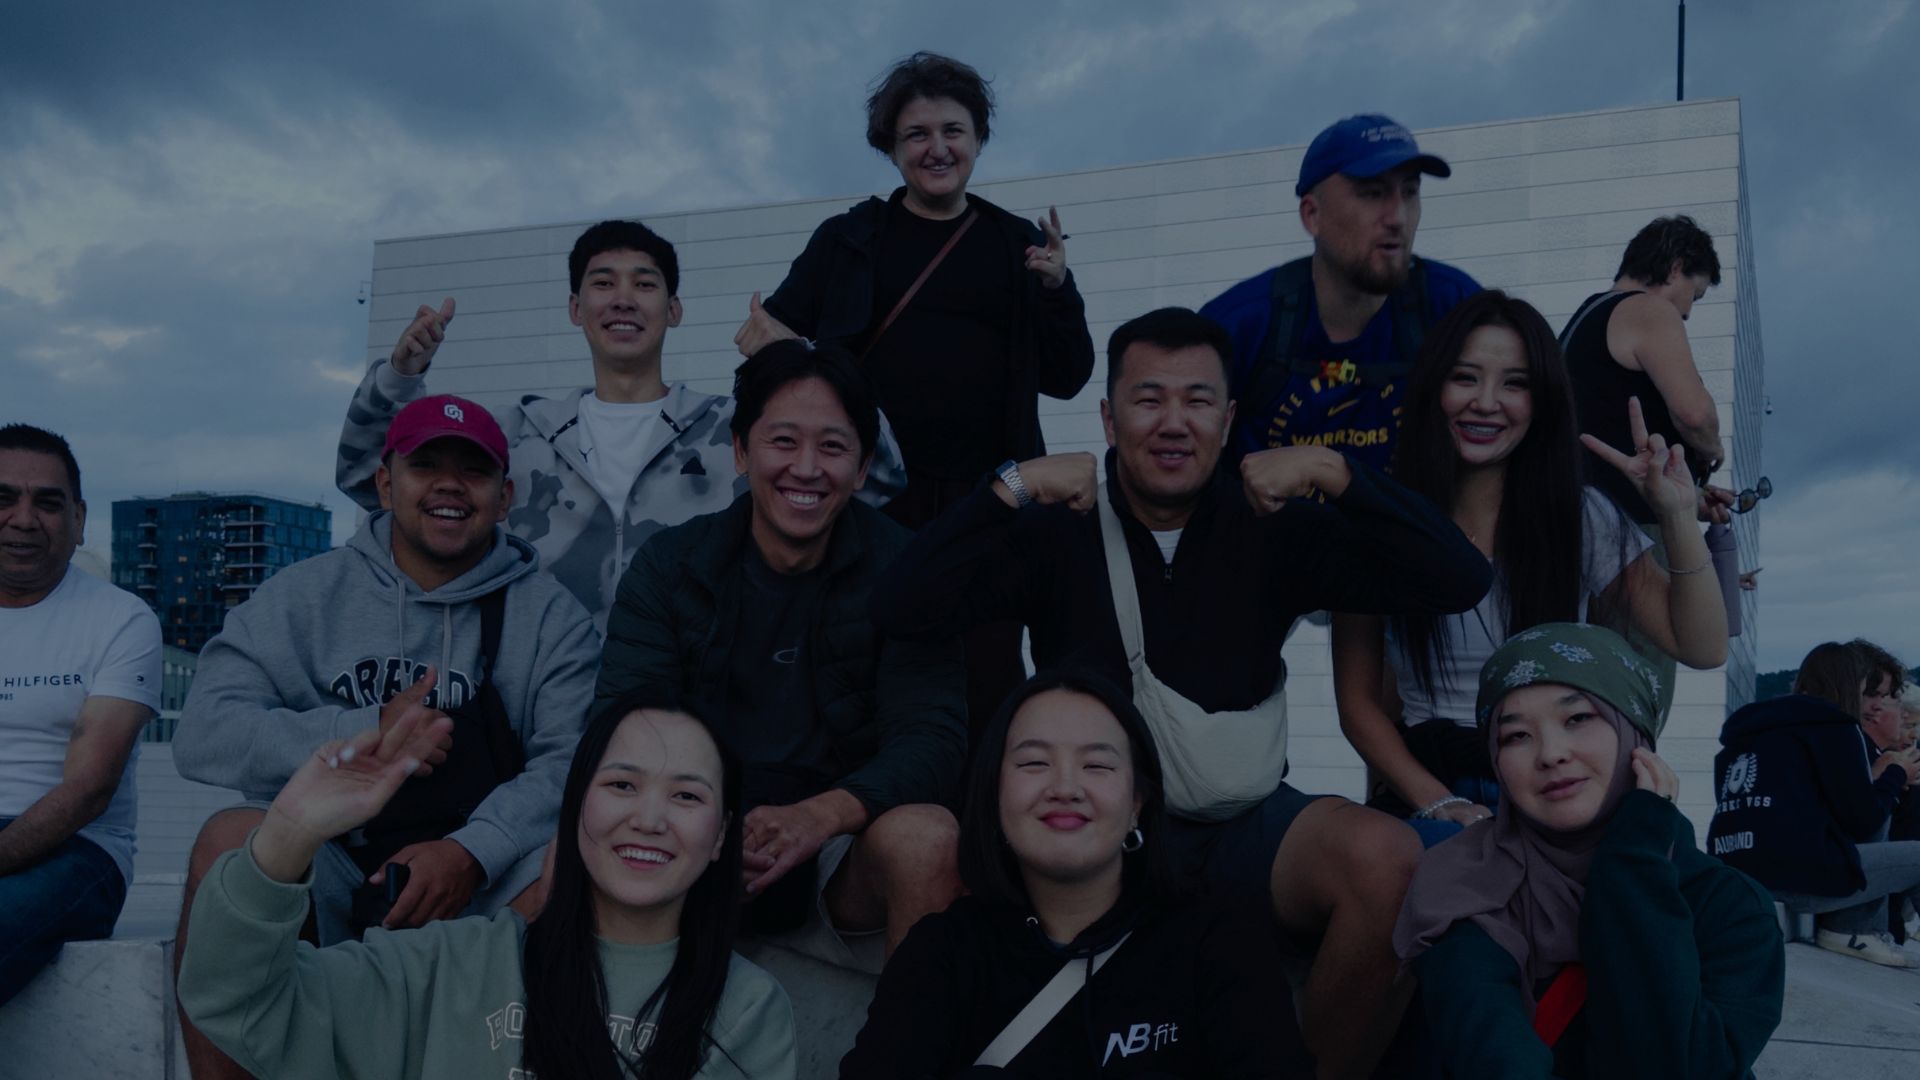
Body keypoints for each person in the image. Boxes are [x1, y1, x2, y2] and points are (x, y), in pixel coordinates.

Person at [872, 307, 1492, 1078]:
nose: (1173, 423)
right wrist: (1013, 484)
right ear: (1107, 416)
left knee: (1391, 860)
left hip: (1243, 823)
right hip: (1095, 828)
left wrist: (1336, 473)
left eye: (1197, 401)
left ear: (1230, 418)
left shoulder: (1276, 523)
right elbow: (899, 607)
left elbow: (1461, 579)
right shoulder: (1058, 527)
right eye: (1148, 398)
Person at [173, 397, 598, 1075]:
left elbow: (570, 762)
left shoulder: (551, 618)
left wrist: (470, 853)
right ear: (384, 482)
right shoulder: (304, 596)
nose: (450, 484)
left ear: (505, 495)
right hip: (334, 866)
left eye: (474, 470)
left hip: (487, 881)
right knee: (228, 840)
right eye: (425, 464)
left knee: (575, 869)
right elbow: (203, 733)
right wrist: (361, 734)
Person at [733, 51, 1095, 732]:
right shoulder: (848, 240)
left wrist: (1057, 290)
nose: (938, 149)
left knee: (988, 675)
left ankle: (986, 827)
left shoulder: (1017, 245)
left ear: (979, 139)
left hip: (989, 498)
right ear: (891, 148)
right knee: (863, 664)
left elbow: (1070, 376)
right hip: (873, 499)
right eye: (917, 135)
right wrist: (769, 349)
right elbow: (768, 356)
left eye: (953, 131)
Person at [177, 690, 798, 1079]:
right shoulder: (441, 969)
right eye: (621, 785)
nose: (650, 818)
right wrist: (289, 833)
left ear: (720, 837)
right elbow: (240, 1003)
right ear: (574, 809)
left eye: (688, 795)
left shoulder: (746, 1009)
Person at [336, 219, 903, 633]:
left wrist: (796, 359)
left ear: (674, 311)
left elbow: (876, 480)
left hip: (698, 714)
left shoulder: (734, 432)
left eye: (645, 284)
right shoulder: (513, 434)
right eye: (603, 283)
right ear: (575, 308)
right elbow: (373, 483)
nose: (623, 300)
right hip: (537, 718)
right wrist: (400, 376)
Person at [596, 340, 967, 967]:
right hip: (691, 831)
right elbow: (622, 726)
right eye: (783, 441)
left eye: (832, 446)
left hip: (837, 839)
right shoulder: (668, 567)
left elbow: (933, 738)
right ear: (741, 451)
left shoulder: (907, 570)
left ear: (862, 464)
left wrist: (817, 817)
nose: (806, 468)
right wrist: (706, 825)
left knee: (929, 837)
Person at [1332, 291, 1728, 847]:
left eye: (1514, 384)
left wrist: (1678, 516)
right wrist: (1440, 804)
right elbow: (1357, 707)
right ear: (1431, 388)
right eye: (1465, 378)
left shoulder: (1579, 515)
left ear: (1541, 402)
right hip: (1436, 782)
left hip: (1555, 774)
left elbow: (1704, 647)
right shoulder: (1377, 521)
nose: (1487, 403)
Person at [840, 669, 1313, 1078]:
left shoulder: (1218, 941)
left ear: (1137, 805)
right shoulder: (942, 952)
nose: (1065, 787)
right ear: (994, 795)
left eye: (1097, 764)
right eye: (1033, 763)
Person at [1395, 622, 1784, 1079]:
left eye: (1578, 718)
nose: (1551, 753)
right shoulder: (1464, 888)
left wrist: (1633, 864)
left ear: (1635, 731)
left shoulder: (1731, 907)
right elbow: (1494, 1056)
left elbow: (1678, 1067)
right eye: (1516, 735)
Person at [1200, 114, 1481, 472]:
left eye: (1410, 192)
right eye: (1373, 193)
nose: (1397, 217)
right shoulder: (1239, 327)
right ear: (1311, 215)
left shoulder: (1453, 307)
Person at [0, 424, 159, 1005]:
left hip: (79, 851)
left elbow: (89, 790)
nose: (23, 519)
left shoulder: (121, 619)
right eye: (3, 498)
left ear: (79, 518)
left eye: (47, 502)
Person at [1558, 215, 1727, 716]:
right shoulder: (1649, 310)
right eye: (1692, 297)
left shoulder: (1583, 321)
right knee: (1637, 695)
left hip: (1584, 526)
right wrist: (1712, 449)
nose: (1688, 315)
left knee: (1586, 690)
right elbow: (1694, 413)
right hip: (1632, 535)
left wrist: (1692, 498)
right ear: (1675, 269)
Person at [1707, 642, 1920, 967]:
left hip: (1735, 874)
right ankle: (1852, 930)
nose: (1874, 705)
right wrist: (1893, 775)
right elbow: (1863, 821)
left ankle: (1858, 930)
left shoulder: (1741, 738)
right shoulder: (1835, 728)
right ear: (1851, 686)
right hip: (1800, 879)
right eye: (1869, 692)